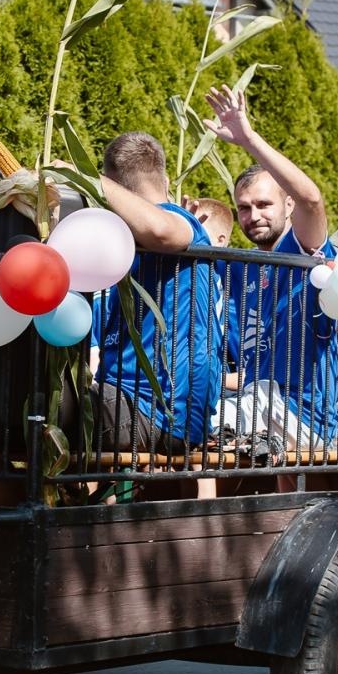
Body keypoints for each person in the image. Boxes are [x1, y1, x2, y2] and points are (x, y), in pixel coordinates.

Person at [204, 83, 338, 454]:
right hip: (259, 407)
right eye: (244, 208)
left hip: (301, 412)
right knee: (180, 420)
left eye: (264, 204)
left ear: (288, 205)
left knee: (192, 423)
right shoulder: (245, 268)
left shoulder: (302, 247)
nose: (254, 215)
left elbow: (313, 198)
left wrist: (248, 139)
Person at [91, 132, 224, 457]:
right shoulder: (128, 234)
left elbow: (165, 230)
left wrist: (86, 177)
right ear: (164, 178)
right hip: (130, 401)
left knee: (23, 411)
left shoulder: (180, 220)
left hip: (155, 411)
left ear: (114, 184)